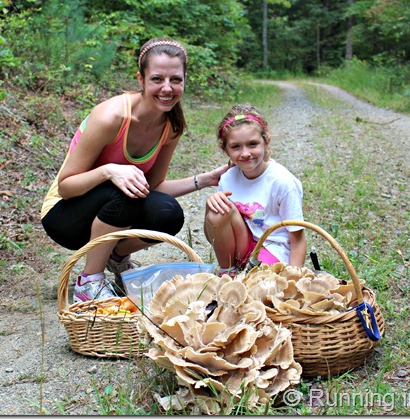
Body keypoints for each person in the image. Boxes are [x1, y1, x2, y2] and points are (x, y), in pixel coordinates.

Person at [41, 38, 228, 303]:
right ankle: (89, 281)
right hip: (65, 217)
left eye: (175, 79)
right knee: (125, 189)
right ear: (140, 79)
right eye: (157, 79)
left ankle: (115, 258)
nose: (167, 88)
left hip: (110, 213)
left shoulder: (171, 126)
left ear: (185, 80)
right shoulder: (111, 117)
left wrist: (204, 180)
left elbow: (152, 188)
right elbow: (66, 186)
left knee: (168, 212)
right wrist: (109, 170)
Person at [203, 104, 306, 277]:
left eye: (252, 144)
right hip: (244, 245)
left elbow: (298, 239)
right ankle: (227, 272)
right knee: (217, 210)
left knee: (258, 286)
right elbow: (212, 235)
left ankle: (252, 274)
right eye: (236, 147)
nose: (245, 153)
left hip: (273, 248)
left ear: (266, 142)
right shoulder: (228, 178)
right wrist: (209, 207)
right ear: (225, 149)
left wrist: (295, 279)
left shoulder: (283, 182)